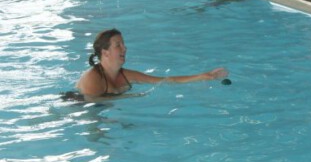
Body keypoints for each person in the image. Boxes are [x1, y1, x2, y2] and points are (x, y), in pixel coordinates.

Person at [76, 29, 228, 100]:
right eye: (118, 45)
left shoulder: (126, 75)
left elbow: (164, 81)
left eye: (124, 44)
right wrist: (129, 97)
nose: (125, 48)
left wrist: (204, 76)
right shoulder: (92, 77)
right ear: (105, 52)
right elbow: (92, 102)